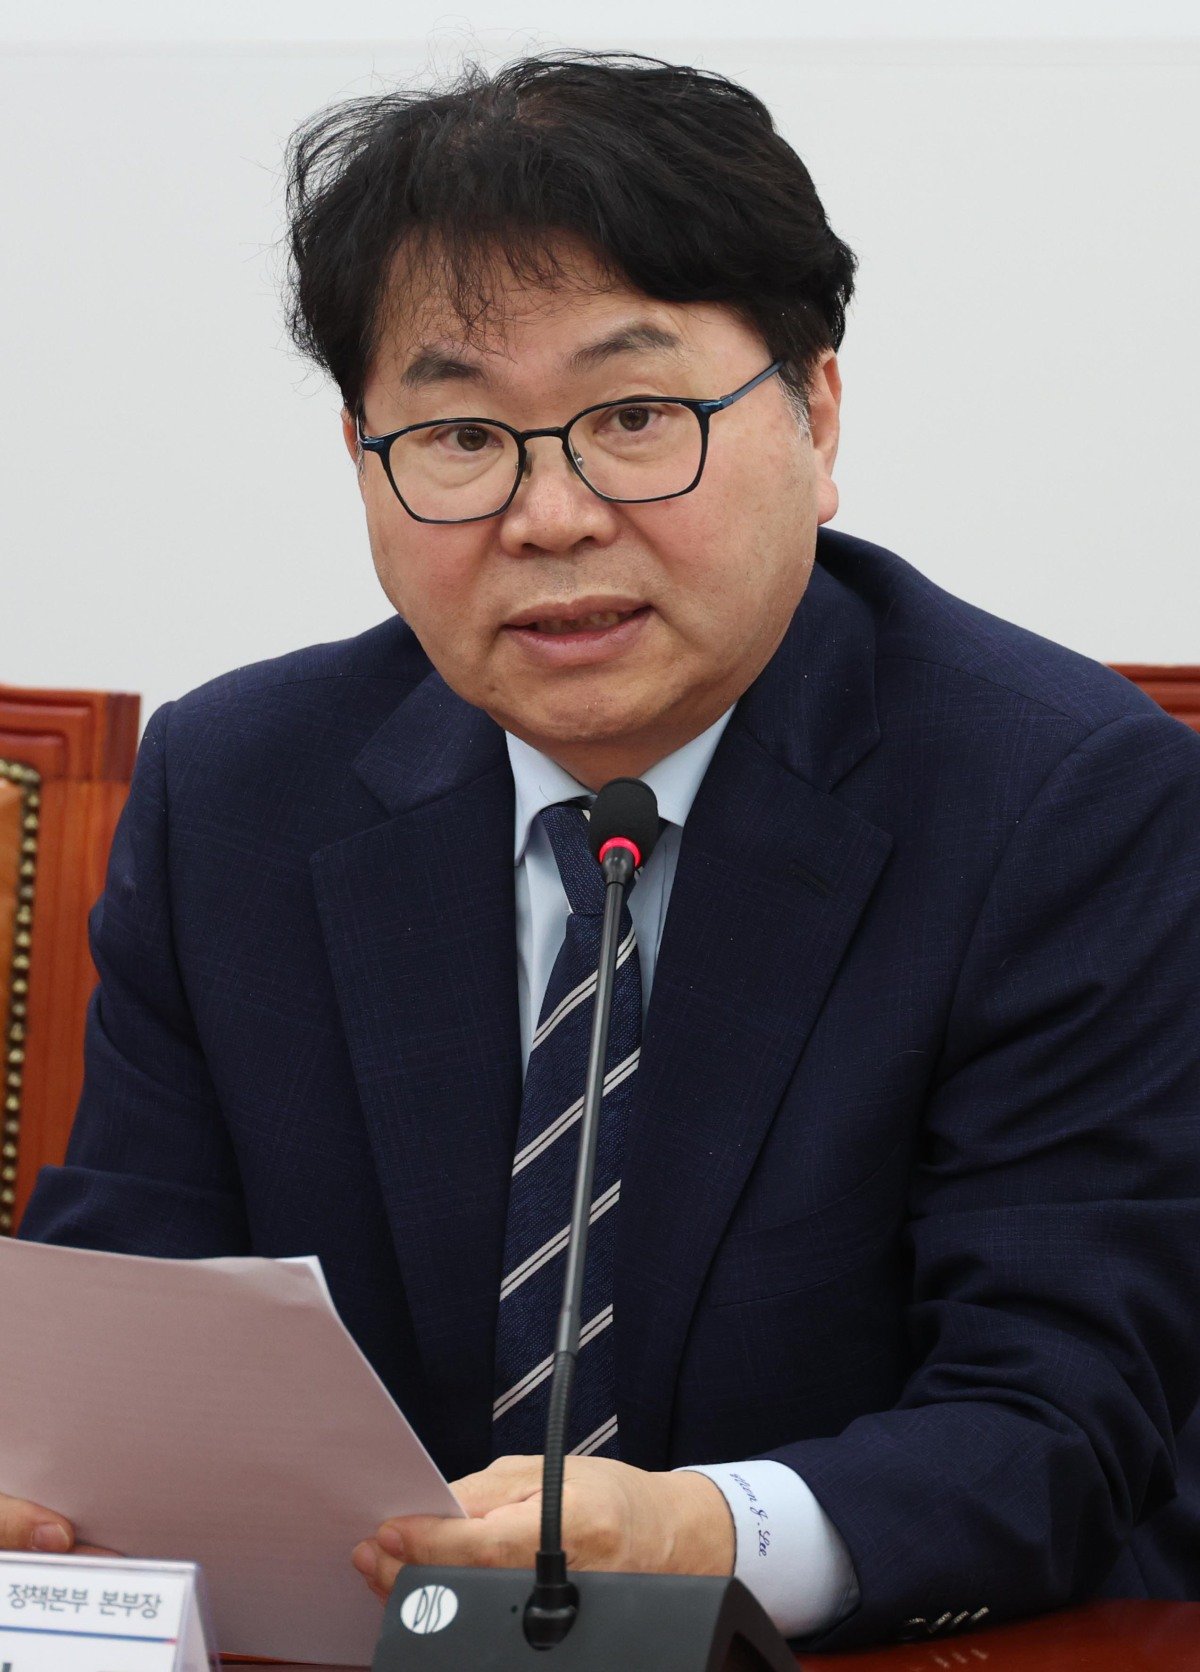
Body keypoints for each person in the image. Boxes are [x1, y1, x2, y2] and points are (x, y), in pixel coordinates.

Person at [8, 51, 1200, 1650]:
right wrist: (50, 1480)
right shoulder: (238, 793)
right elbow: (127, 1327)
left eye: (635, 417)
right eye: (459, 435)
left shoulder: (1063, 803)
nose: (550, 514)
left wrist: (709, 1531)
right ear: (364, 457)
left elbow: (1062, 1420)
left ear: (816, 414)